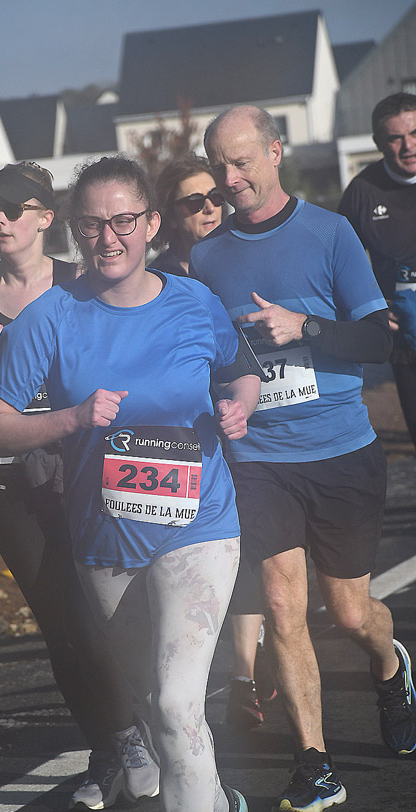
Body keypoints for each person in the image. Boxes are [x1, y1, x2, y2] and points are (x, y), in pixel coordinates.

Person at [0, 155, 260, 812]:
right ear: (75, 229)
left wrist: (239, 406)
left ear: (150, 224)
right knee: (148, 702)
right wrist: (69, 419)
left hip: (199, 524)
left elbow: (240, 371)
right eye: (92, 224)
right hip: (103, 537)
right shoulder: (49, 319)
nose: (108, 238)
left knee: (177, 700)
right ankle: (220, 808)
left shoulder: (193, 301)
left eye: (123, 221)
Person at [191, 104, 416, 812]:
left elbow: (378, 341)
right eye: (219, 166)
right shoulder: (206, 257)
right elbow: (212, 355)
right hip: (259, 459)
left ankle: (390, 665)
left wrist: (305, 326)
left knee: (349, 614)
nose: (231, 178)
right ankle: (314, 765)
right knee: (285, 606)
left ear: (274, 152)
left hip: (340, 452)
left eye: (242, 161)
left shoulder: (330, 232)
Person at [0, 161, 159, 812]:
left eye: (13, 209)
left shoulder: (79, 285)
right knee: (58, 624)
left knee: (101, 616)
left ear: (45, 217)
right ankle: (112, 744)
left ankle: (136, 731)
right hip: (11, 481)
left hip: (84, 470)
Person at [150, 155, 276, 727]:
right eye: (193, 202)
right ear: (167, 215)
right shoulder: (155, 278)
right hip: (185, 435)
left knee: (248, 544)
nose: (209, 209)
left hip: (247, 421)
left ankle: (243, 674)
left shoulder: (239, 258)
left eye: (215, 199)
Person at [338, 92, 416, 449]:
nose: (408, 146)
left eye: (414, 133)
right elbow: (337, 266)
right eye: (396, 138)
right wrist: (372, 307)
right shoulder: (362, 193)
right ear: (378, 143)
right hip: (407, 341)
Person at [148, 154, 225, 276]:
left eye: (215, 196)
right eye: (195, 202)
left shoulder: (242, 258)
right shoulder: (159, 279)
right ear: (171, 216)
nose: (210, 208)